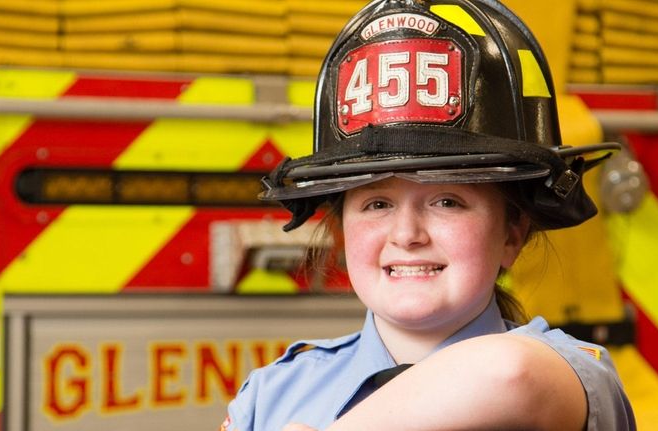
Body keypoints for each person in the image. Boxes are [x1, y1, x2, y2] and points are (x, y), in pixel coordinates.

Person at [222, 0, 635, 429]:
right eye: (376, 205)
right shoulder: (273, 393)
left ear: (512, 234)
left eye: (447, 202)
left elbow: (511, 374)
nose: (406, 234)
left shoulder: (573, 375)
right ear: (343, 233)